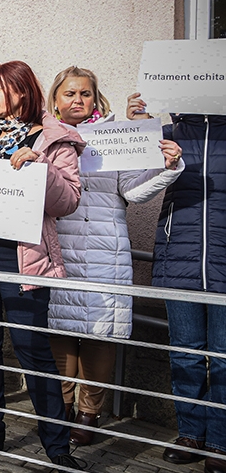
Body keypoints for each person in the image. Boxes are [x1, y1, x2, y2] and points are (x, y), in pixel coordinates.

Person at [0, 60, 84, 468]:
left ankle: (56, 445)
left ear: (20, 91)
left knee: (32, 349)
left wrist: (42, 168)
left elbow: (69, 201)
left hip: (24, 258)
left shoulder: (53, 138)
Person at [45, 67, 184, 446]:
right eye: (70, 93)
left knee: (99, 334)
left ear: (96, 98)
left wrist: (165, 165)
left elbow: (135, 192)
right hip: (58, 250)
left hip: (105, 252)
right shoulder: (43, 136)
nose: (78, 100)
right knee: (58, 331)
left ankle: (88, 414)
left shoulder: (114, 136)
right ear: (55, 99)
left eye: (85, 93)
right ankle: (61, 408)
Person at [146, 99, 226, 469]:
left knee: (224, 357)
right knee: (185, 353)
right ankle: (190, 433)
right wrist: (140, 126)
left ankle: (220, 442)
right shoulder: (169, 132)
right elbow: (133, 178)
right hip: (179, 256)